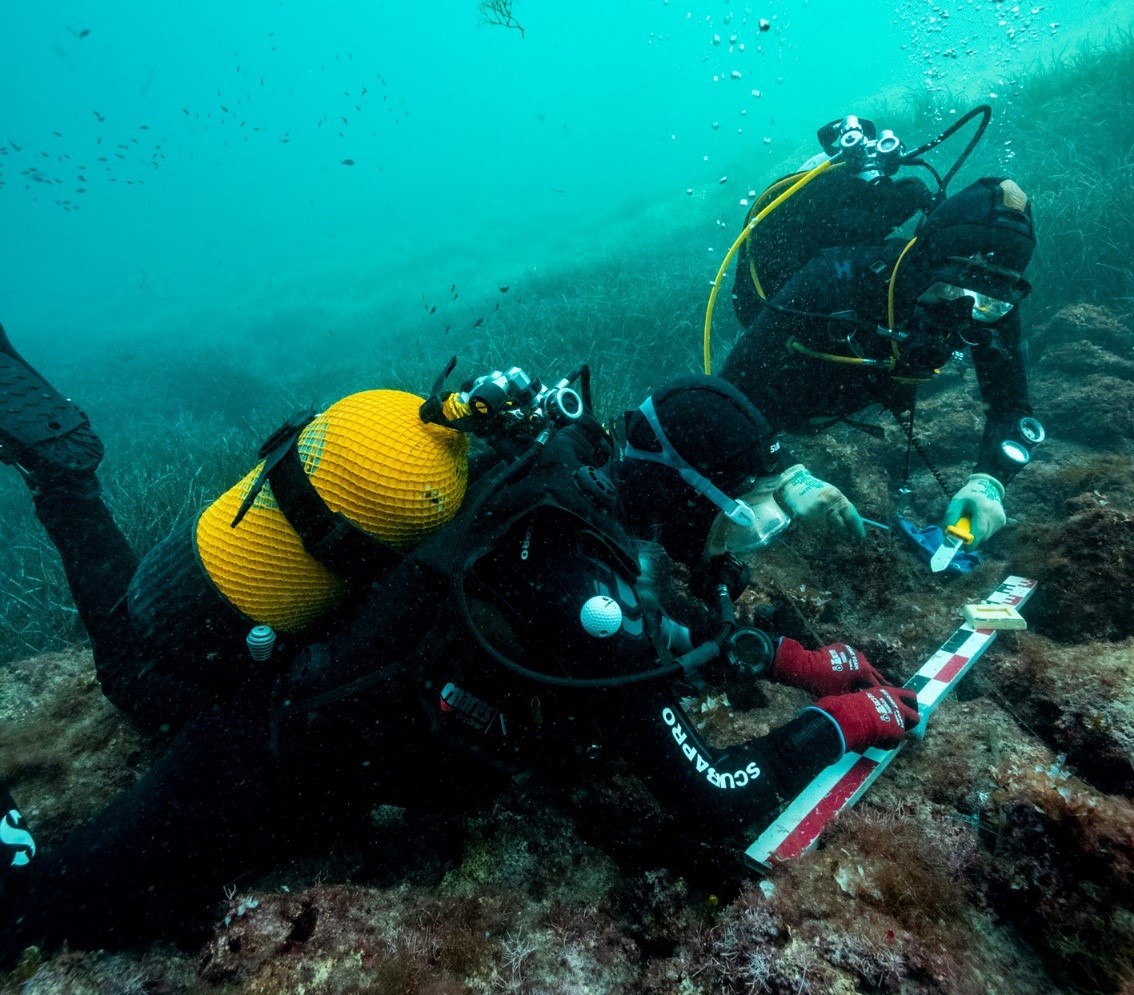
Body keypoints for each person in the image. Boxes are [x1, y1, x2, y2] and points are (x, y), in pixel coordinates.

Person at [0, 326, 919, 957]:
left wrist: (787, 658)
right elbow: (714, 794)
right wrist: (845, 722)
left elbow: (656, 616)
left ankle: (67, 478)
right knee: (30, 912)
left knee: (133, 664)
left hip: (283, 674)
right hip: (268, 759)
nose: (737, 537)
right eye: (735, 513)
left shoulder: (566, 473)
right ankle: (64, 470)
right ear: (683, 490)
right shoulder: (589, 599)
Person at [718, 113, 1043, 551]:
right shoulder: (832, 278)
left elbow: (1012, 407)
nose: (965, 311)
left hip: (852, 390)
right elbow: (725, 395)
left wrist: (989, 482)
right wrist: (787, 475)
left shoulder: (989, 297)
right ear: (923, 262)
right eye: (952, 288)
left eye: (989, 300)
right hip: (788, 396)